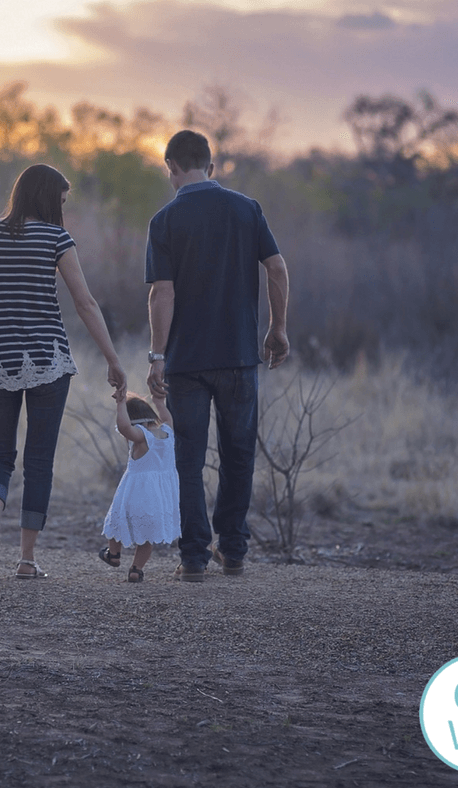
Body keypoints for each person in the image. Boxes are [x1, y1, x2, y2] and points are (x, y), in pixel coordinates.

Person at [0, 164, 126, 579]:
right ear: (48, 198)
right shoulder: (56, 239)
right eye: (62, 201)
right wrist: (113, 359)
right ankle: (26, 560)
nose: (63, 209)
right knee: (39, 461)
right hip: (48, 360)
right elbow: (85, 304)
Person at [145, 130, 289, 582]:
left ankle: (192, 558)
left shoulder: (164, 220)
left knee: (188, 458)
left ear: (170, 166)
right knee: (238, 453)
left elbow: (161, 294)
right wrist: (277, 328)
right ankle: (234, 549)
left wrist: (156, 355)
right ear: (211, 165)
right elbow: (277, 268)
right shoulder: (247, 209)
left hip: (186, 361)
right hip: (239, 355)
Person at [99, 392, 181, 583]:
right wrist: (159, 402)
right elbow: (167, 417)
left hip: (135, 494)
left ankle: (114, 554)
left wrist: (120, 404)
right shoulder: (168, 432)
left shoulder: (141, 437)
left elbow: (124, 427)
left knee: (116, 522)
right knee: (146, 537)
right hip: (159, 498)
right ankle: (136, 569)